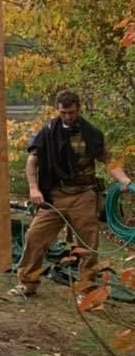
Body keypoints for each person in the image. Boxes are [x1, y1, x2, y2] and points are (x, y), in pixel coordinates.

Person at [13, 89, 134, 297]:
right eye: (63, 112)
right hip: (54, 196)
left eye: (71, 112)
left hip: (83, 194)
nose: (67, 116)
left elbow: (109, 160)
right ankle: (27, 282)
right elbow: (32, 162)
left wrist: (124, 180)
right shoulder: (48, 131)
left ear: (78, 109)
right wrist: (34, 188)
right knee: (34, 236)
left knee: (88, 243)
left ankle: (86, 287)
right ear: (57, 110)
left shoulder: (91, 133)